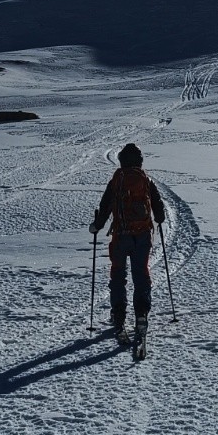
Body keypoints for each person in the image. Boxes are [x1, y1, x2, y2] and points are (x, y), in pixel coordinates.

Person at [89, 143, 165, 345]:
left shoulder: (116, 181)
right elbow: (160, 212)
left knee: (118, 275)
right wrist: (158, 218)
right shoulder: (146, 180)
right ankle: (141, 314)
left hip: (121, 236)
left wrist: (96, 226)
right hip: (142, 236)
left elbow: (105, 208)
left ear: (122, 160)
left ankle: (119, 315)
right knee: (141, 274)